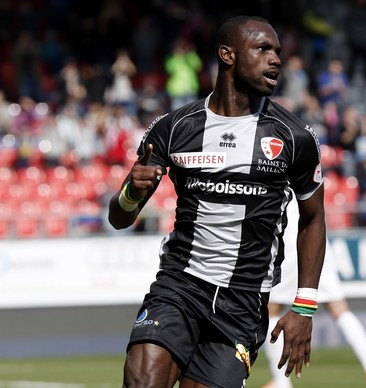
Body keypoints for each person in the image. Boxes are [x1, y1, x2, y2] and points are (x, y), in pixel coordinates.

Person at [108, 15, 326, 388]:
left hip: (243, 303)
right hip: (179, 286)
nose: (275, 59)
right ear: (227, 54)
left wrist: (303, 305)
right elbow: (120, 217)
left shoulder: (294, 138)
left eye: (277, 51)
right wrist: (132, 192)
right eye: (262, 49)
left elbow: (314, 218)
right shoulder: (174, 128)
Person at [262, 197, 366, 388]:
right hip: (316, 240)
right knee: (340, 309)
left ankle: (281, 382)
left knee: (272, 311)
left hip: (291, 241)